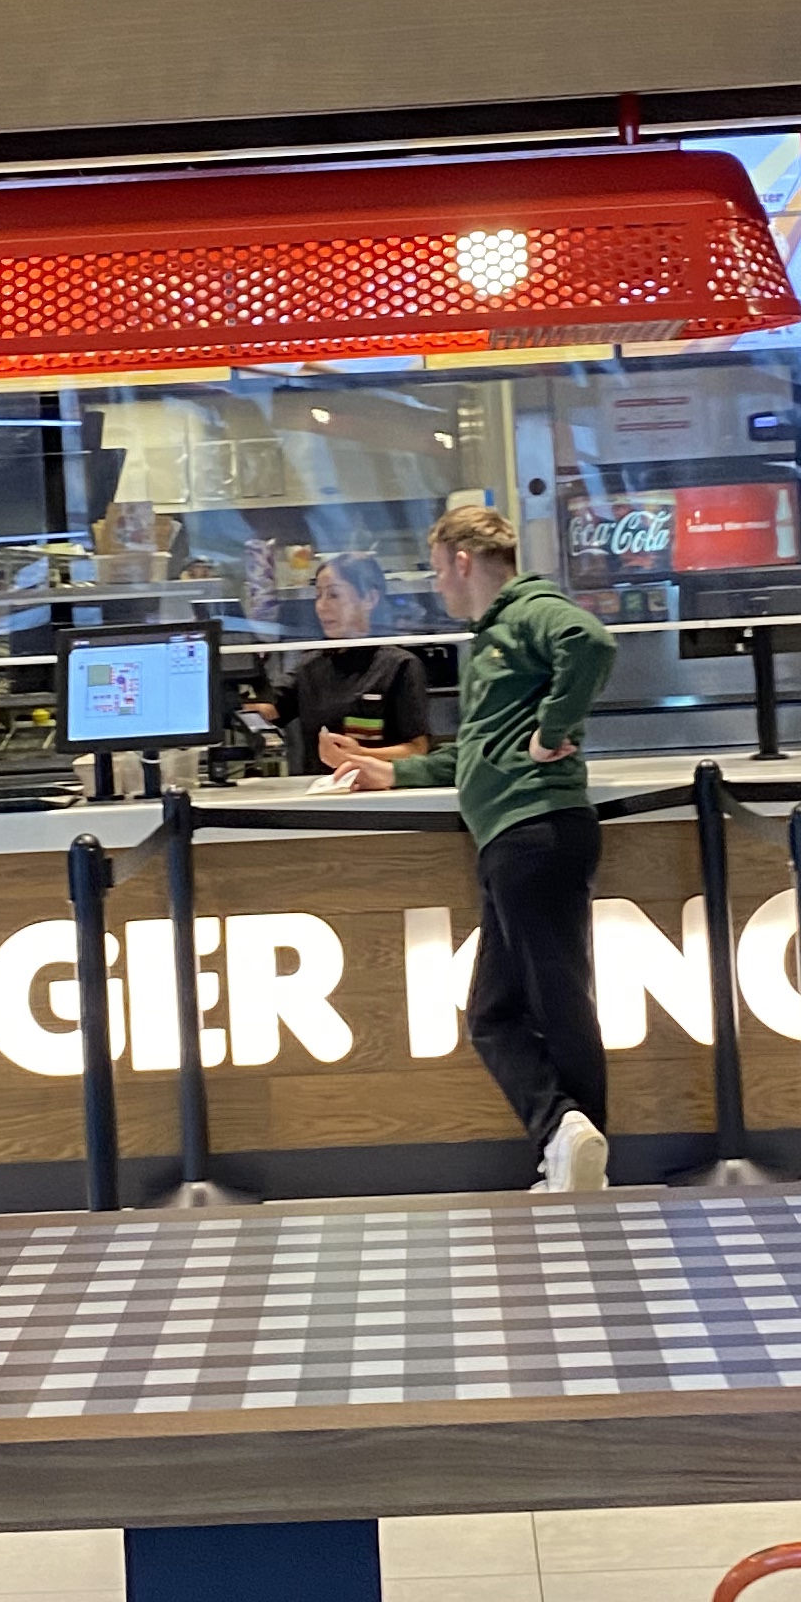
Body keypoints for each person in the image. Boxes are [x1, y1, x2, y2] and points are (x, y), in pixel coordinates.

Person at [325, 504, 620, 1194]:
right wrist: (393, 773)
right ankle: (566, 1136)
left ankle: (583, 1159)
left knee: (559, 1002)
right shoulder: (492, 637)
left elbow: (592, 643)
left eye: (437, 569)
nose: (437, 585)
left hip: (537, 832)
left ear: (463, 561)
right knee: (492, 1015)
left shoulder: (528, 610)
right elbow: (477, 752)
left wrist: (552, 731)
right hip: (512, 841)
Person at [284, 553, 432, 772]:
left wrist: (359, 755)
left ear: (370, 599)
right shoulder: (309, 666)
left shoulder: (399, 665)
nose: (321, 606)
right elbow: (272, 708)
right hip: (321, 789)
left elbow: (418, 749)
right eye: (318, 595)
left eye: (334, 595)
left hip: (381, 788)